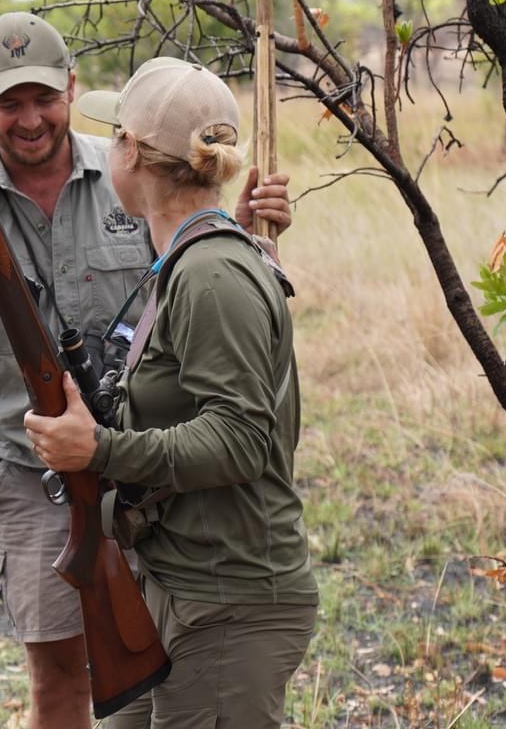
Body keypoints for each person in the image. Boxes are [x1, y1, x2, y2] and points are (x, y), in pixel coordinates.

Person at [0, 14, 291, 729]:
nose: (30, 119)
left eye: (44, 97)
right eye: (9, 103)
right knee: (61, 677)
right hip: (34, 472)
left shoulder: (132, 165)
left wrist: (249, 222)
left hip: (156, 473)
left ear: (72, 87)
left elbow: (196, 249)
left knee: (174, 667)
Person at [25, 57, 317, 729]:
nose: (103, 151)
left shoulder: (211, 272)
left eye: (115, 135)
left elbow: (242, 440)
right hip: (174, 587)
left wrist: (98, 448)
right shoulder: (188, 260)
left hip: (229, 601)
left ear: (133, 154)